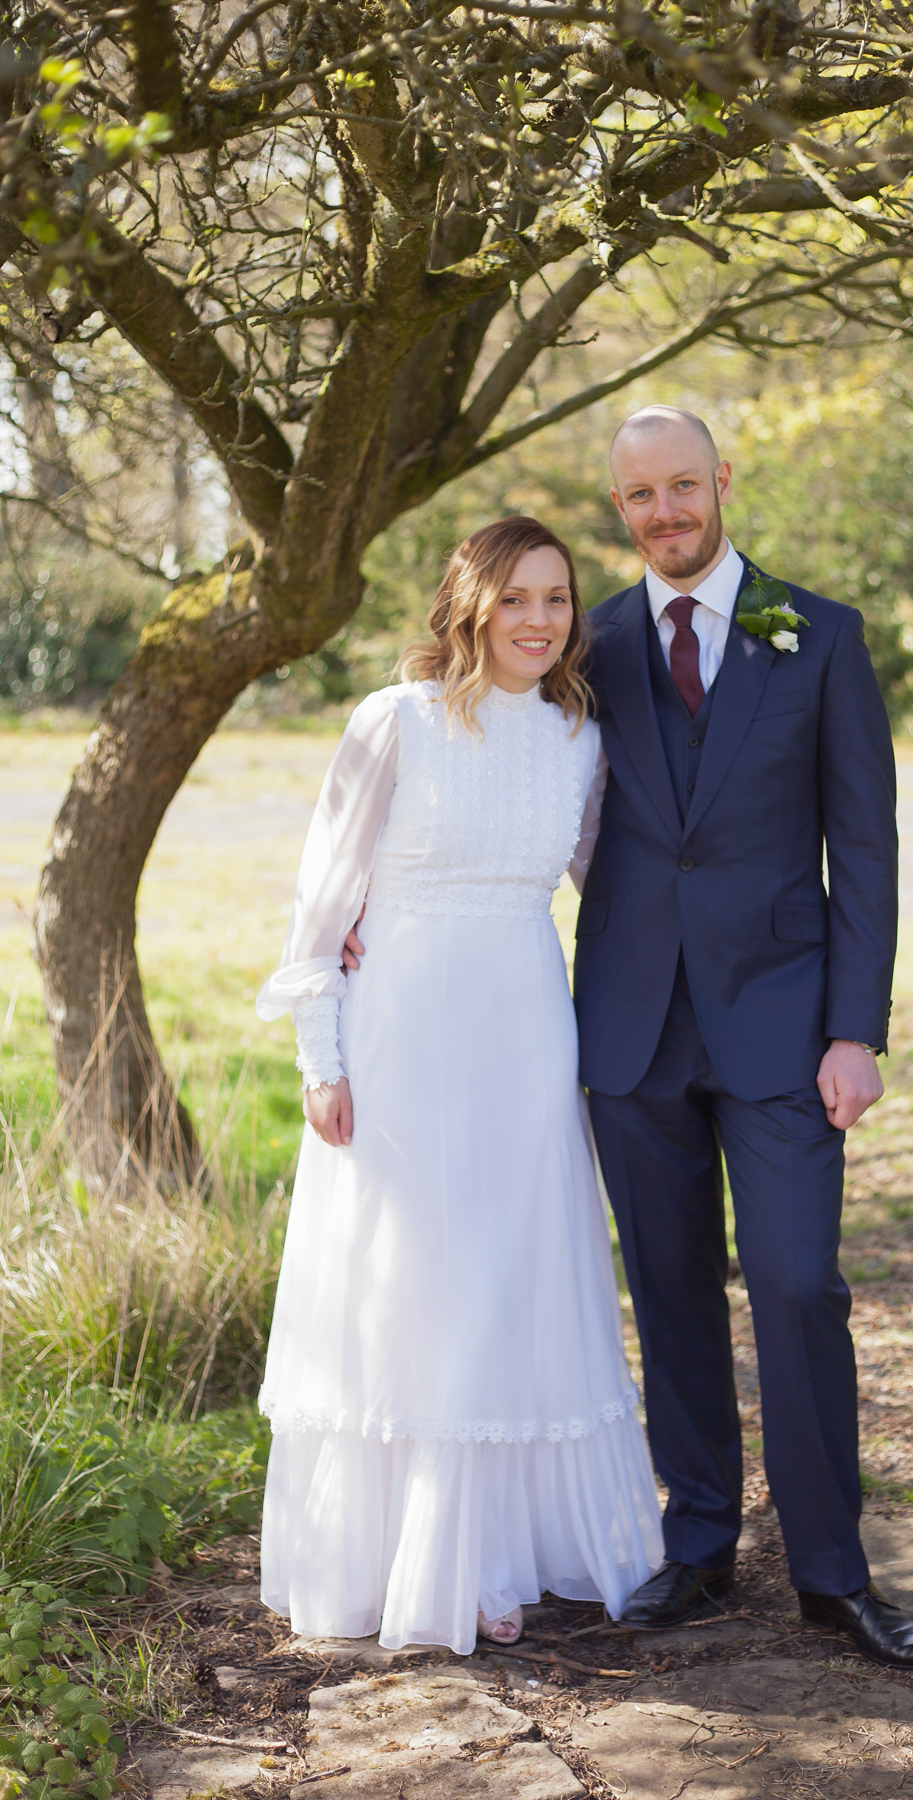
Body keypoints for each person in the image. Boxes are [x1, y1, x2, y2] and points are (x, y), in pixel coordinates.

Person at [574, 404, 913, 1670]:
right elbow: (497, 778)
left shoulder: (821, 636)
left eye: (684, 487)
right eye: (641, 498)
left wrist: (858, 1031)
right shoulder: (594, 644)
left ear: (723, 481)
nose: (666, 514)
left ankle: (834, 1576)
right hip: (631, 1033)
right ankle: (699, 1546)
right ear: (617, 508)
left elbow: (870, 852)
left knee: (796, 1286)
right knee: (669, 1294)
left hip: (788, 1030)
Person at [256, 516, 663, 1657]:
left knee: (508, 1276)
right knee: (416, 1276)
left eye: (559, 599)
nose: (541, 620)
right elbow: (320, 904)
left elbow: (610, 881)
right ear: (471, 603)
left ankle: (497, 1549)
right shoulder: (393, 723)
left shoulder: (580, 738)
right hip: (404, 1032)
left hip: (527, 1029)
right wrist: (320, 1057)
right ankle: (416, 1559)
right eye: (519, 597)